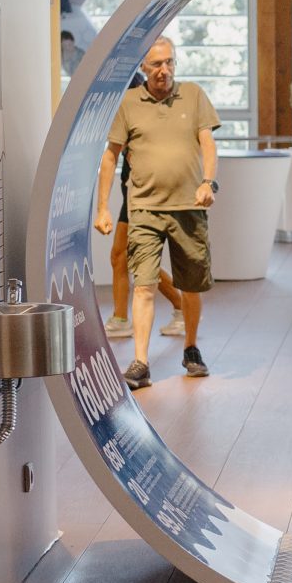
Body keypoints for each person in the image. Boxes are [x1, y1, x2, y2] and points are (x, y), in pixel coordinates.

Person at [94, 37, 219, 388]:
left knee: (190, 286)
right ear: (143, 67)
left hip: (188, 208)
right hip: (144, 209)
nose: (163, 70)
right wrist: (103, 208)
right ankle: (141, 362)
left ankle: (191, 348)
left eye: (169, 62)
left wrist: (208, 182)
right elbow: (110, 156)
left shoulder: (193, 95)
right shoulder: (129, 103)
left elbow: (208, 142)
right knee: (144, 285)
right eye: (156, 64)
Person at [104, 67, 182, 334]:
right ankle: (121, 319)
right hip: (132, 191)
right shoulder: (126, 113)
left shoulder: (139, 109)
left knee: (134, 257)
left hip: (145, 194)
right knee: (121, 255)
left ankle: (181, 307)